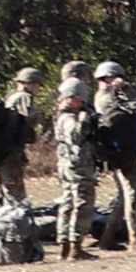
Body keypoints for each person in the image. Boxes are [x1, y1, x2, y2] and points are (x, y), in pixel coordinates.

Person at [93, 60, 136, 252]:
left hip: (122, 150)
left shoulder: (108, 96)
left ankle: (108, 237)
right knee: (133, 193)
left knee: (125, 196)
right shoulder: (105, 99)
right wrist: (126, 92)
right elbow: (134, 109)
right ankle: (134, 238)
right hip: (121, 152)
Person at [54, 77, 99, 261]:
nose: (81, 103)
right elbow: (75, 135)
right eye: (78, 100)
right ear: (69, 97)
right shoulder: (67, 117)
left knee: (68, 203)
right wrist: (84, 120)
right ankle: (75, 246)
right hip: (77, 167)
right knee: (82, 203)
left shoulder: (63, 114)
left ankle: (66, 244)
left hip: (69, 166)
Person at [0, 67, 43, 208]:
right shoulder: (24, 97)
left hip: (1, 151)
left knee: (4, 194)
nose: (38, 89)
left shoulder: (10, 96)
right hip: (11, 152)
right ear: (30, 83)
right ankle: (16, 227)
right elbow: (31, 118)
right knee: (16, 197)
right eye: (37, 85)